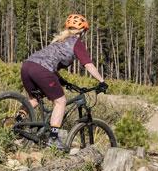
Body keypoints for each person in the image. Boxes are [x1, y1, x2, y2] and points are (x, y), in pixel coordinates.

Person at [20, 13, 107, 149]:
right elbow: (88, 64)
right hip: (41, 70)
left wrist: (64, 82)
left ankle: (16, 121)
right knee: (60, 102)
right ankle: (53, 138)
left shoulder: (59, 40)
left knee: (34, 100)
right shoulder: (76, 43)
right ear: (83, 31)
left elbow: (49, 64)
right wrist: (102, 81)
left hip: (27, 66)